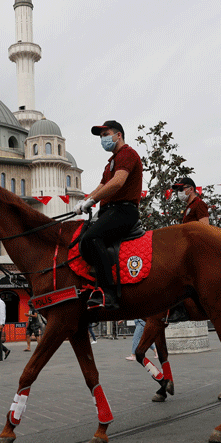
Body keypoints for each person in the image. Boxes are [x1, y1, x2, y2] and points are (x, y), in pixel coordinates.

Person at [75, 120, 143, 310]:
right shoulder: (111, 162)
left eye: (106, 135)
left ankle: (107, 292)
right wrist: (85, 200)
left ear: (118, 135)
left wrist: (92, 200)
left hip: (124, 210)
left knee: (92, 237)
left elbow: (117, 183)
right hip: (109, 210)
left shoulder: (127, 154)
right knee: (82, 238)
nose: (103, 139)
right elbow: (103, 185)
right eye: (101, 137)